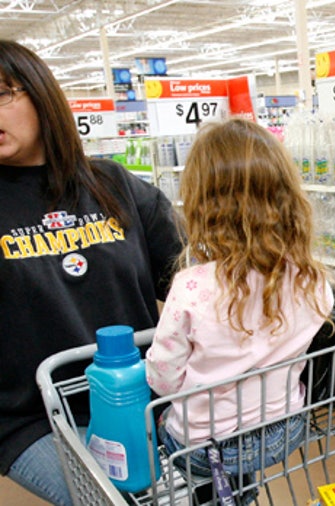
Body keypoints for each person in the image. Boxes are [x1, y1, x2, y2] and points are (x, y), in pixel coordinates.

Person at [0, 40, 183, 505]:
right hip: (35, 419)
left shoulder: (112, 185)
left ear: (40, 93)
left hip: (144, 398)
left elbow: (190, 280)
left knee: (218, 485)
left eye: (2, 94)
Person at [145, 118, 334, 503]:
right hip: (284, 428)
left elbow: (163, 378)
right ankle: (240, 493)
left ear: (200, 204)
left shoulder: (192, 287)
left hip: (205, 445)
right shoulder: (311, 278)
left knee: (162, 427)